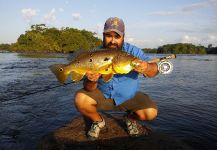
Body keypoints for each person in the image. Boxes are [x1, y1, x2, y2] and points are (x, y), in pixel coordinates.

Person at [74, 17, 159, 140]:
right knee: (80, 99)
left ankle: (130, 119)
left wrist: (146, 67)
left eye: (117, 36)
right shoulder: (94, 55)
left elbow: (154, 71)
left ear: (123, 36)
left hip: (129, 97)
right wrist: (92, 80)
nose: (112, 40)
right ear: (103, 35)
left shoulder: (133, 52)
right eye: (108, 35)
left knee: (151, 113)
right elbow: (88, 88)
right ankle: (98, 121)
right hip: (103, 96)